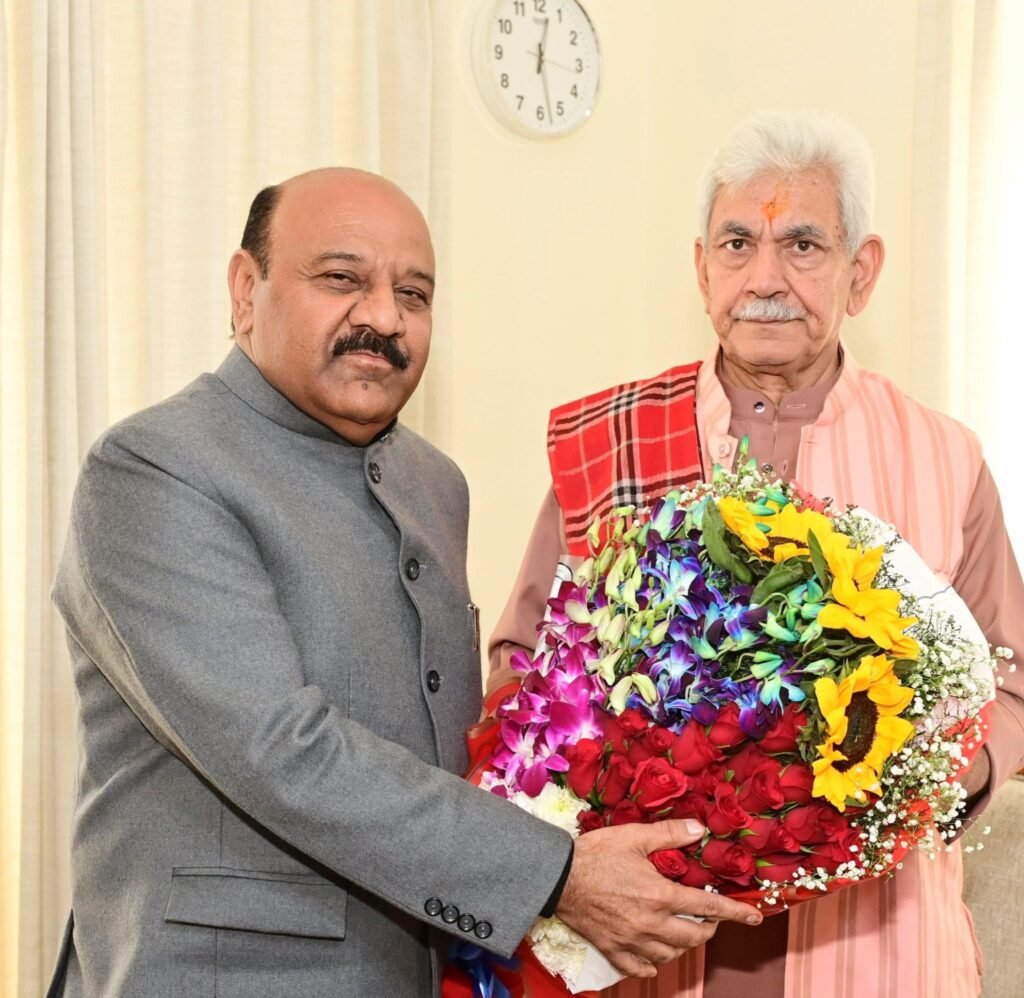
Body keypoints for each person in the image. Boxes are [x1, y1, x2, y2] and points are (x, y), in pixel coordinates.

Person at [47, 168, 764, 997]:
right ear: (247, 289)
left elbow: (449, 739)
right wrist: (559, 873)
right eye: (342, 278)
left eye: (414, 294)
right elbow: (281, 752)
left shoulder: (433, 483)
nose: (383, 318)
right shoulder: (155, 469)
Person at [489, 112, 1024, 998]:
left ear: (860, 273)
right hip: (653, 943)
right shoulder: (615, 440)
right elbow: (523, 669)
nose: (766, 279)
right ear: (701, 267)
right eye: (739, 243)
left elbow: (1012, 678)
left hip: (877, 944)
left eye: (804, 245)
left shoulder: (945, 458)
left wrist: (932, 781)